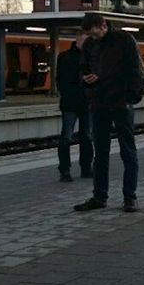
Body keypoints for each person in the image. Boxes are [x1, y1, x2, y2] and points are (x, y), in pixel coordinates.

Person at [74, 14, 144, 213]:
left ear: (103, 25)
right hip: (99, 103)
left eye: (93, 33)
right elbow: (83, 69)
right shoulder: (89, 45)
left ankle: (130, 197)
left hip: (121, 102)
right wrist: (87, 82)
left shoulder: (124, 40)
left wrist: (131, 98)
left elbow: (135, 70)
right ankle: (99, 196)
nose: (91, 37)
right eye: (88, 34)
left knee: (127, 151)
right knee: (101, 152)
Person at [57, 32, 92, 183]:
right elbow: (61, 80)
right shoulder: (65, 57)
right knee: (66, 137)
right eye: (84, 40)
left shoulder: (92, 57)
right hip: (70, 103)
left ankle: (86, 167)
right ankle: (65, 169)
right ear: (77, 40)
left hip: (87, 103)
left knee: (87, 136)